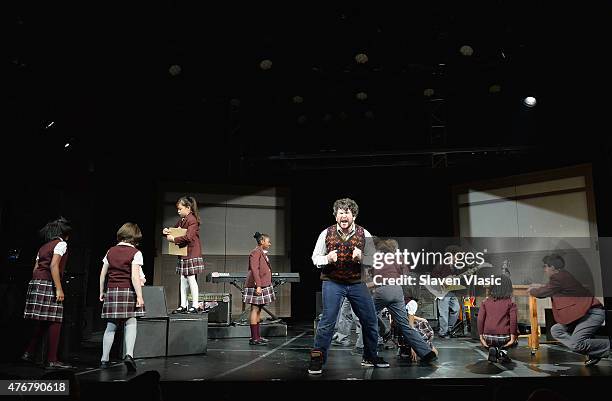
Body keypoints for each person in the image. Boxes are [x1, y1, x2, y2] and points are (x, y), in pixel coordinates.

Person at [308, 198, 389, 375]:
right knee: (327, 320)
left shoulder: (364, 233)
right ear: (336, 216)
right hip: (332, 281)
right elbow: (315, 258)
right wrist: (327, 259)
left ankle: (370, 356)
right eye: (340, 212)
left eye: (347, 212)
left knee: (369, 320)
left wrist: (362, 258)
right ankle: (318, 358)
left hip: (356, 282)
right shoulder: (326, 233)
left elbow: (374, 260)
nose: (344, 215)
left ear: (354, 215)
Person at [528, 253, 609, 366]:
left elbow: (543, 292)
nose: (544, 269)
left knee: (576, 344)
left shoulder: (559, 278)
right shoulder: (562, 276)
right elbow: (550, 287)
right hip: (581, 315)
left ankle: (606, 346)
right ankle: (593, 352)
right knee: (556, 330)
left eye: (545, 266)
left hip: (591, 313)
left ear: (552, 267)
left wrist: (531, 290)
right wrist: (539, 286)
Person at [370, 239, 437, 364]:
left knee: (366, 317)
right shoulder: (399, 257)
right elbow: (405, 275)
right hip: (397, 291)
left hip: (383, 290)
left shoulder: (376, 257)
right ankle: (426, 353)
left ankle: (380, 338)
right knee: (405, 325)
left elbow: (373, 278)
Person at [21, 217, 74, 369]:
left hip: (36, 282)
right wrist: (58, 288)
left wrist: (36, 285)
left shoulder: (43, 247)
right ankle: (51, 360)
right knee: (55, 320)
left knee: (43, 320)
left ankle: (28, 353)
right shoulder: (61, 244)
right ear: (65, 234)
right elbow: (54, 265)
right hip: (48, 283)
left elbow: (35, 268)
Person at [99, 223, 146, 371]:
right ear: (134, 237)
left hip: (112, 290)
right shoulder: (136, 253)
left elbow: (102, 274)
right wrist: (140, 296)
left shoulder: (110, 251)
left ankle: (104, 359)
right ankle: (129, 355)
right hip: (127, 290)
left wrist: (102, 291)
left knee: (111, 325)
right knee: (131, 322)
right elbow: (134, 276)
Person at [163, 196, 205, 314]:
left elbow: (188, 237)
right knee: (183, 279)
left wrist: (173, 239)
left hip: (191, 253)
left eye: (180, 209)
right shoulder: (182, 220)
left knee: (191, 278)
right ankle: (183, 305)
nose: (178, 211)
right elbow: (175, 230)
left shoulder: (192, 220)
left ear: (188, 208)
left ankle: (195, 304)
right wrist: (166, 232)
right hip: (183, 253)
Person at [244, 232, 276, 345]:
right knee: (255, 309)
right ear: (262, 242)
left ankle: (257, 336)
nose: (270, 244)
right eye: (268, 242)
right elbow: (254, 269)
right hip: (256, 285)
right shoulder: (255, 252)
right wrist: (258, 285)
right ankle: (254, 338)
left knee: (259, 309)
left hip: (263, 284)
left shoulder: (261, 252)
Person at [477, 274, 517, 363]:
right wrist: (513, 337)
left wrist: (481, 337)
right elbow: (513, 321)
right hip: (503, 337)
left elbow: (480, 319)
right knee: (516, 332)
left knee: (492, 340)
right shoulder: (511, 302)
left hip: (488, 336)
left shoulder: (485, 302)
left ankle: (493, 348)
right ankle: (503, 352)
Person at [430, 245, 463, 338]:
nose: (458, 258)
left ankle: (449, 328)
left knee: (456, 309)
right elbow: (433, 274)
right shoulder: (442, 263)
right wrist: (443, 280)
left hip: (451, 290)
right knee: (443, 312)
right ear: (451, 255)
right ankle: (443, 332)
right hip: (442, 291)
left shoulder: (455, 266)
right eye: (457, 256)